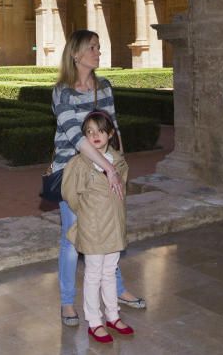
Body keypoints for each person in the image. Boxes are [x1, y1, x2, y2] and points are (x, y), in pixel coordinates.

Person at [52, 29, 145, 327]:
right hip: (73, 173)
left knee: (109, 231)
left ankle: (117, 290)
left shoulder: (103, 87)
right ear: (76, 53)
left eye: (98, 47)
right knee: (72, 236)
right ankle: (68, 302)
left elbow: (113, 129)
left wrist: (120, 166)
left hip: (106, 172)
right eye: (92, 47)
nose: (98, 51)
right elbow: (76, 138)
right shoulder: (61, 91)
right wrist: (107, 167)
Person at [62, 110, 134, 343]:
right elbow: (70, 194)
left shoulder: (118, 160)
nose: (94, 135)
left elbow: (121, 192)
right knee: (93, 274)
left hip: (113, 226)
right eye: (89, 131)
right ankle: (94, 321)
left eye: (100, 130)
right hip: (93, 227)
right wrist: (88, 212)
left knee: (109, 271)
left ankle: (113, 316)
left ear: (110, 134)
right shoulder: (79, 163)